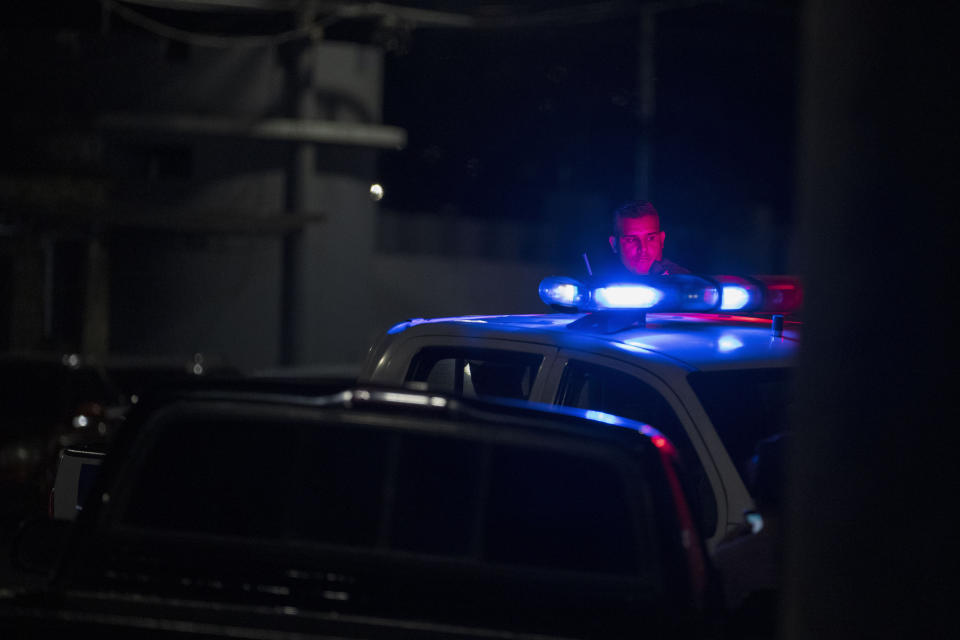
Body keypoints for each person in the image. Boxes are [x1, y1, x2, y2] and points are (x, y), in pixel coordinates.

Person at [608, 200, 690, 275]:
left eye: (651, 238)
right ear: (614, 244)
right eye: (631, 240)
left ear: (661, 240)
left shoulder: (686, 285)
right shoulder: (599, 285)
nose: (643, 248)